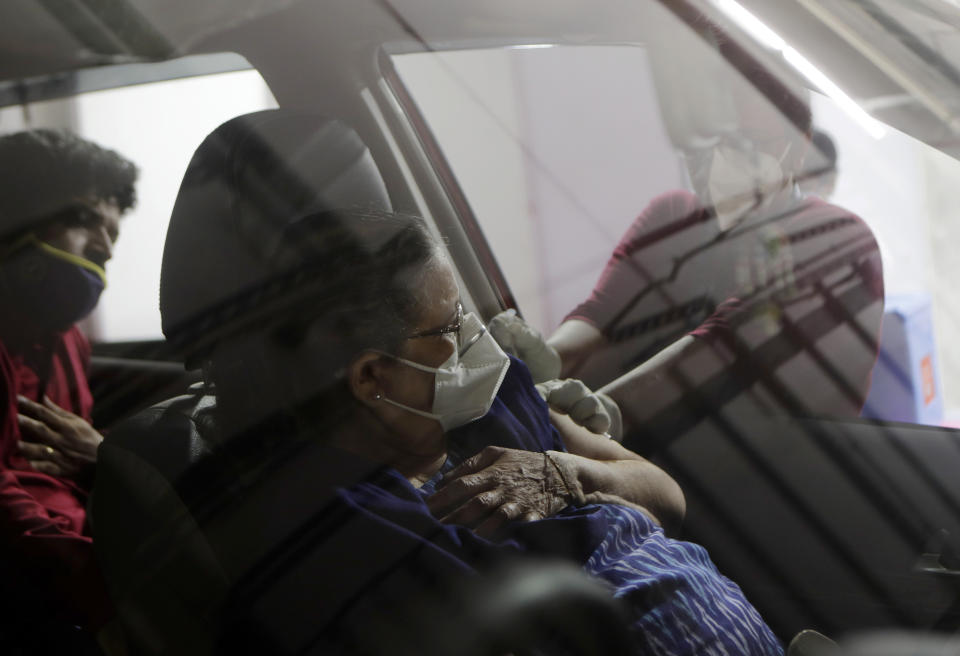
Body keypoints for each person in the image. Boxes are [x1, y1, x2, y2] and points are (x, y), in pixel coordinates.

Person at [96, 111, 783, 656]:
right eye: (452, 325)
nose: (480, 342)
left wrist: (565, 471)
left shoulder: (483, 398)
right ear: (373, 376)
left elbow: (666, 495)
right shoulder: (344, 527)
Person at [538, 73, 883, 436]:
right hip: (640, 454)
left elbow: (720, 349)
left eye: (747, 145)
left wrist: (596, 414)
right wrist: (544, 358)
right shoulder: (675, 216)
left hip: (767, 466)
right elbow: (602, 314)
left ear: (799, 150)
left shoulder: (835, 238)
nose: (720, 162)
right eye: (708, 143)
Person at [0, 129, 138, 644]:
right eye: (83, 221)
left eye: (113, 235)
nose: (104, 248)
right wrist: (107, 592)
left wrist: (103, 460)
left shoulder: (69, 342)